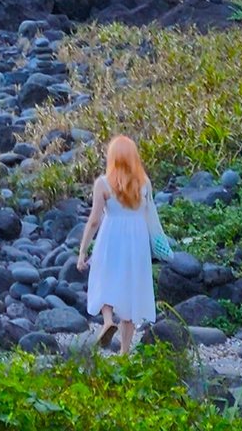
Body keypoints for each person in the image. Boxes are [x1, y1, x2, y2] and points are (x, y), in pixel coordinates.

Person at [76, 134, 160, 352]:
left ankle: (107, 321)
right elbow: (148, 214)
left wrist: (83, 251)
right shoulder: (144, 184)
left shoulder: (103, 183)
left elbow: (94, 220)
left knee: (104, 277)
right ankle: (124, 352)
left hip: (111, 235)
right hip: (136, 240)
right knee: (130, 288)